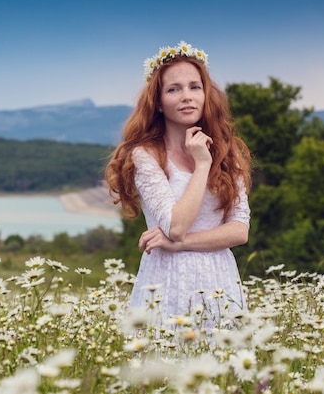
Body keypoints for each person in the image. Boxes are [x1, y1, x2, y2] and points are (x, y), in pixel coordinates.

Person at [104, 41, 252, 328]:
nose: (187, 96)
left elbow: (240, 230)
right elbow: (176, 226)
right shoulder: (146, 155)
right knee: (162, 364)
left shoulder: (226, 151)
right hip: (166, 280)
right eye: (174, 89)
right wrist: (202, 165)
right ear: (158, 102)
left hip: (219, 278)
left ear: (206, 94)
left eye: (194, 87)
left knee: (224, 367)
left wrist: (178, 245)